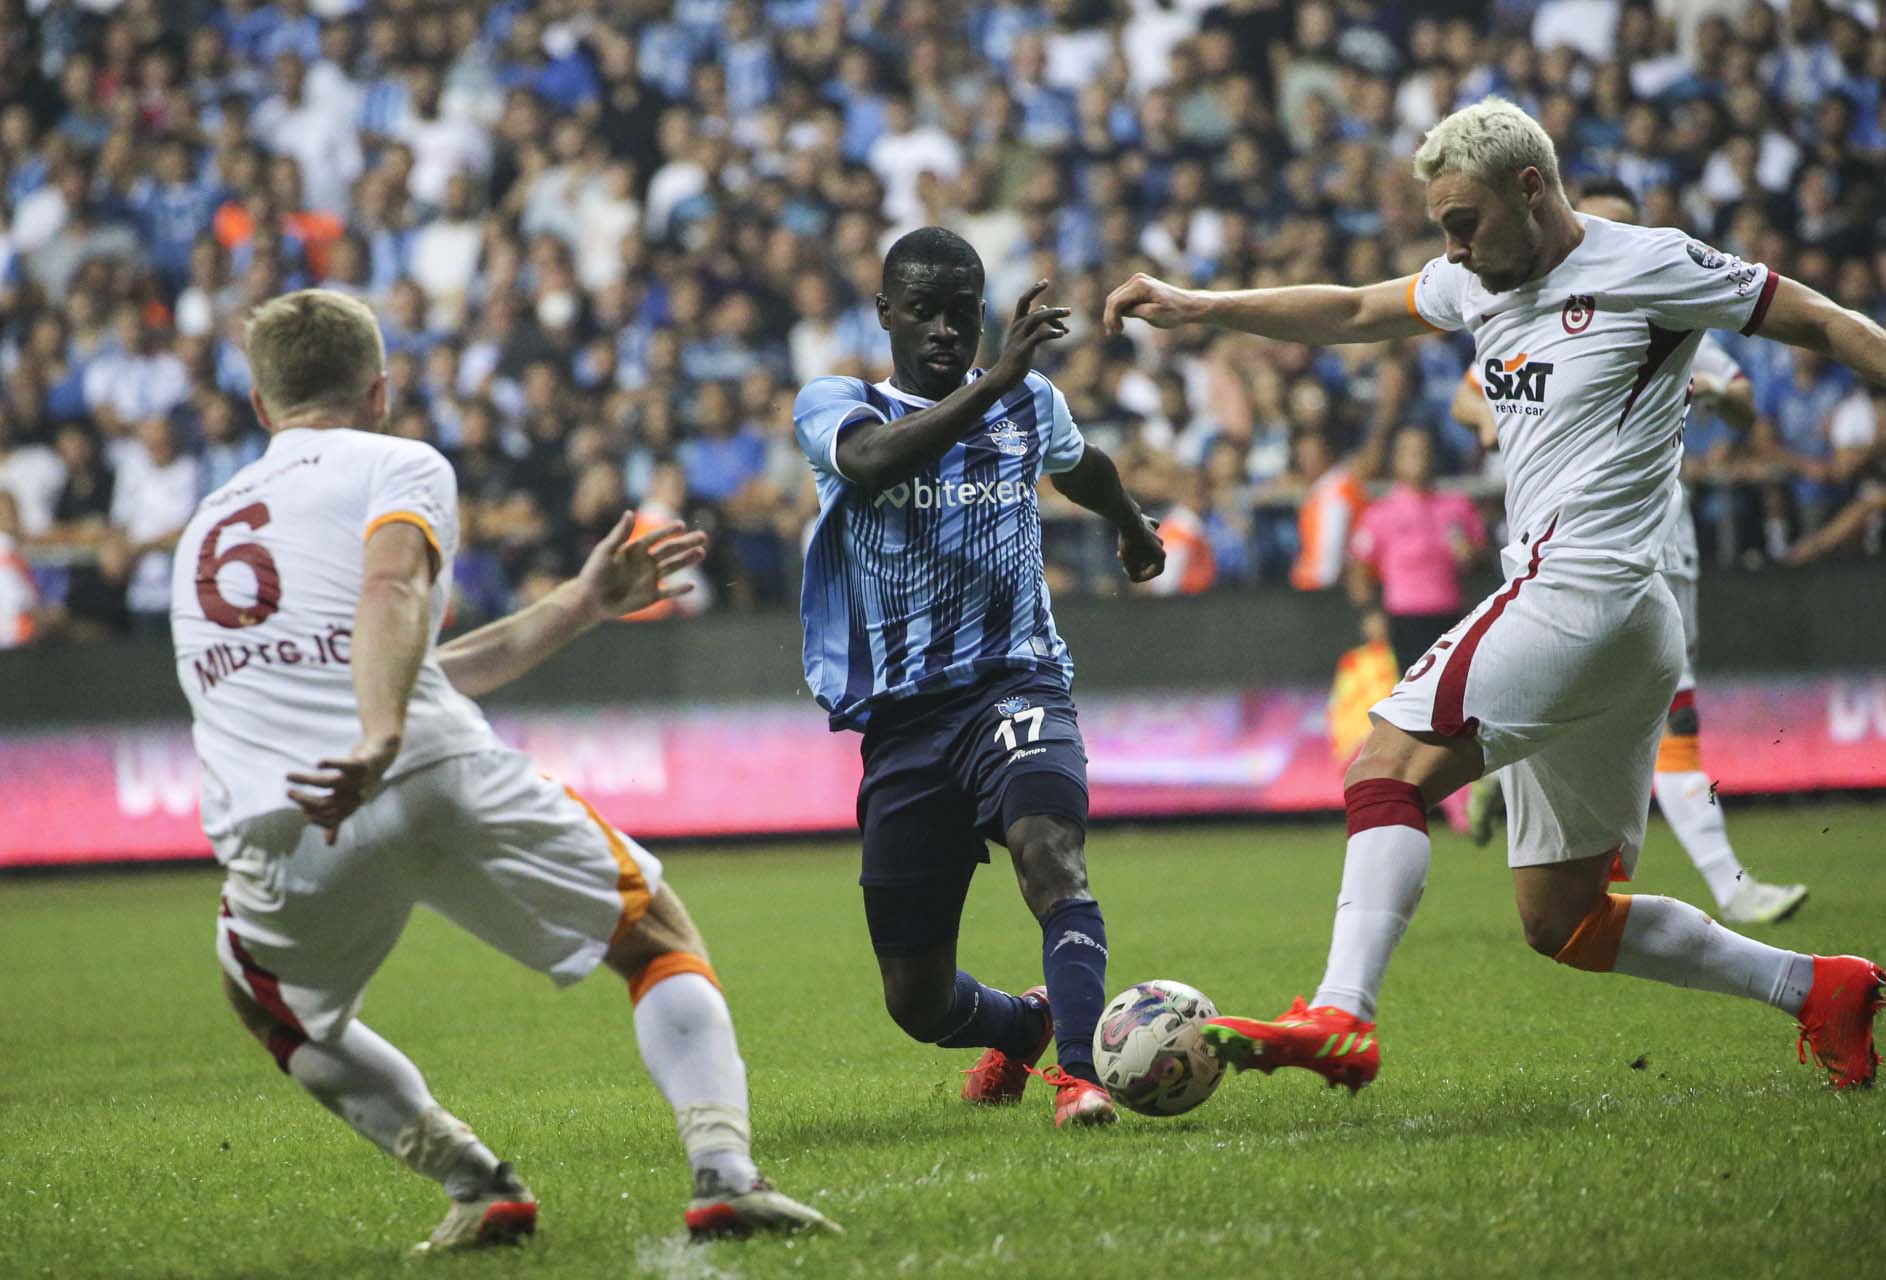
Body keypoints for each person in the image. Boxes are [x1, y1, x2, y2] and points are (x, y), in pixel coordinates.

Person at [1103, 98, 1886, 1092]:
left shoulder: (1648, 263)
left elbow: (1818, 321)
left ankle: (1342, 1012)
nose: (1452, 246)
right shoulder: (1475, 281)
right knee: (1562, 917)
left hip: (1583, 585)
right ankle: (1819, 984)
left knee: (1379, 765)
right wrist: (1207, 307)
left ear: (1529, 188)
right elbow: (1349, 309)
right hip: (1621, 621)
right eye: (1441, 228)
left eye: (1461, 222)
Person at [170, 289, 837, 1253]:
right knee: (652, 934)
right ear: (383, 390)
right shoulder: (401, 461)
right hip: (420, 763)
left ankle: (473, 1182)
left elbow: (413, 662)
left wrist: (576, 603)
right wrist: (381, 736)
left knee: (266, 999)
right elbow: (393, 586)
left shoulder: (205, 527)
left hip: (284, 825)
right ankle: (726, 1173)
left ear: (262, 406)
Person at [793, 227, 1166, 1127]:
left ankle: (1080, 1073)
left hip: (1016, 683)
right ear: (885, 312)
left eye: (962, 313)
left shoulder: (1031, 403)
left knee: (1052, 856)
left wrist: (1132, 522)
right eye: (923, 312)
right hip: (904, 720)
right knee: (916, 1001)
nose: (945, 332)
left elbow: (1084, 468)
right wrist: (994, 384)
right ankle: (1025, 1023)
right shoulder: (836, 403)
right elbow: (874, 462)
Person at [1454, 177, 1808, 927]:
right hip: (1560, 549)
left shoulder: (1669, 299)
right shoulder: (1532, 307)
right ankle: (1730, 885)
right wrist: (1495, 420)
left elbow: (1744, 402)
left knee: (1648, 713)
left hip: (1661, 550)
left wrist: (1711, 391)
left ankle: (1503, 763)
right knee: (1668, 718)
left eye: (1616, 226)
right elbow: (1468, 393)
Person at [1346, 425, 1486, 667]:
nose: (1417, 458)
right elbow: (1357, 566)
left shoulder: (1457, 506)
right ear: (1397, 459)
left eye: (1423, 451)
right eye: (1410, 452)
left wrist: (1470, 554)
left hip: (1450, 617)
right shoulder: (1381, 513)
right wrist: (1369, 612)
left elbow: (1483, 558)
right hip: (1405, 619)